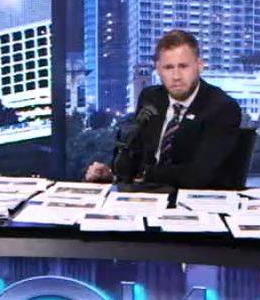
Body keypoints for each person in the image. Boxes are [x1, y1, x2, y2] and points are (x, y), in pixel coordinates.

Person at [84, 30, 242, 189]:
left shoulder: (222, 107)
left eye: (183, 66)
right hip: (145, 196)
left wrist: (145, 174)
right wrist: (112, 174)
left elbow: (199, 174)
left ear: (199, 66)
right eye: (168, 67)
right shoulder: (150, 98)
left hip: (193, 198)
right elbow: (136, 152)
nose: (176, 76)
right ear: (158, 70)